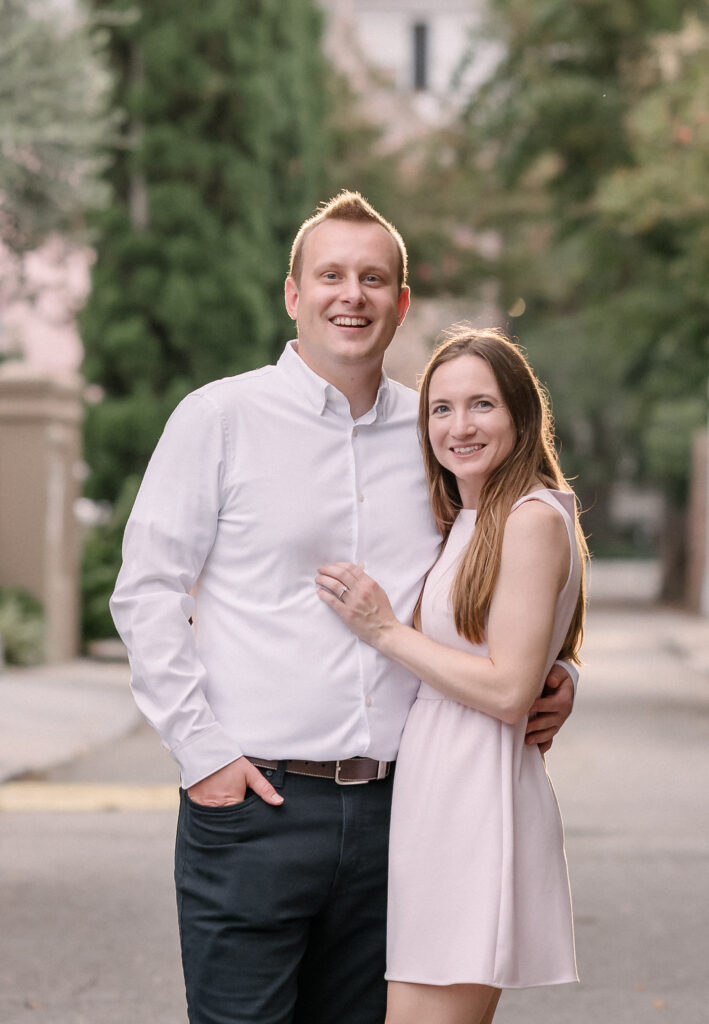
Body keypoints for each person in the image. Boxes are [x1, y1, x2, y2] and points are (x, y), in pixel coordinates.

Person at [110, 192, 577, 1024]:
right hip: (257, 803)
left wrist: (554, 667)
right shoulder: (220, 418)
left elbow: (495, 567)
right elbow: (145, 591)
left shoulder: (437, 435)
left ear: (401, 305)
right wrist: (203, 753)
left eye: (373, 279)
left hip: (406, 812)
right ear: (293, 293)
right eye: (330, 275)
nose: (350, 295)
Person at [316, 326, 588, 1024]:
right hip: (435, 799)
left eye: (481, 406)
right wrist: (560, 671)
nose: (458, 426)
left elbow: (504, 690)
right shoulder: (470, 516)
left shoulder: (527, 518)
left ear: (521, 416)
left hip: (474, 802)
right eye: (440, 408)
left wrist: (384, 631)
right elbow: (512, 650)